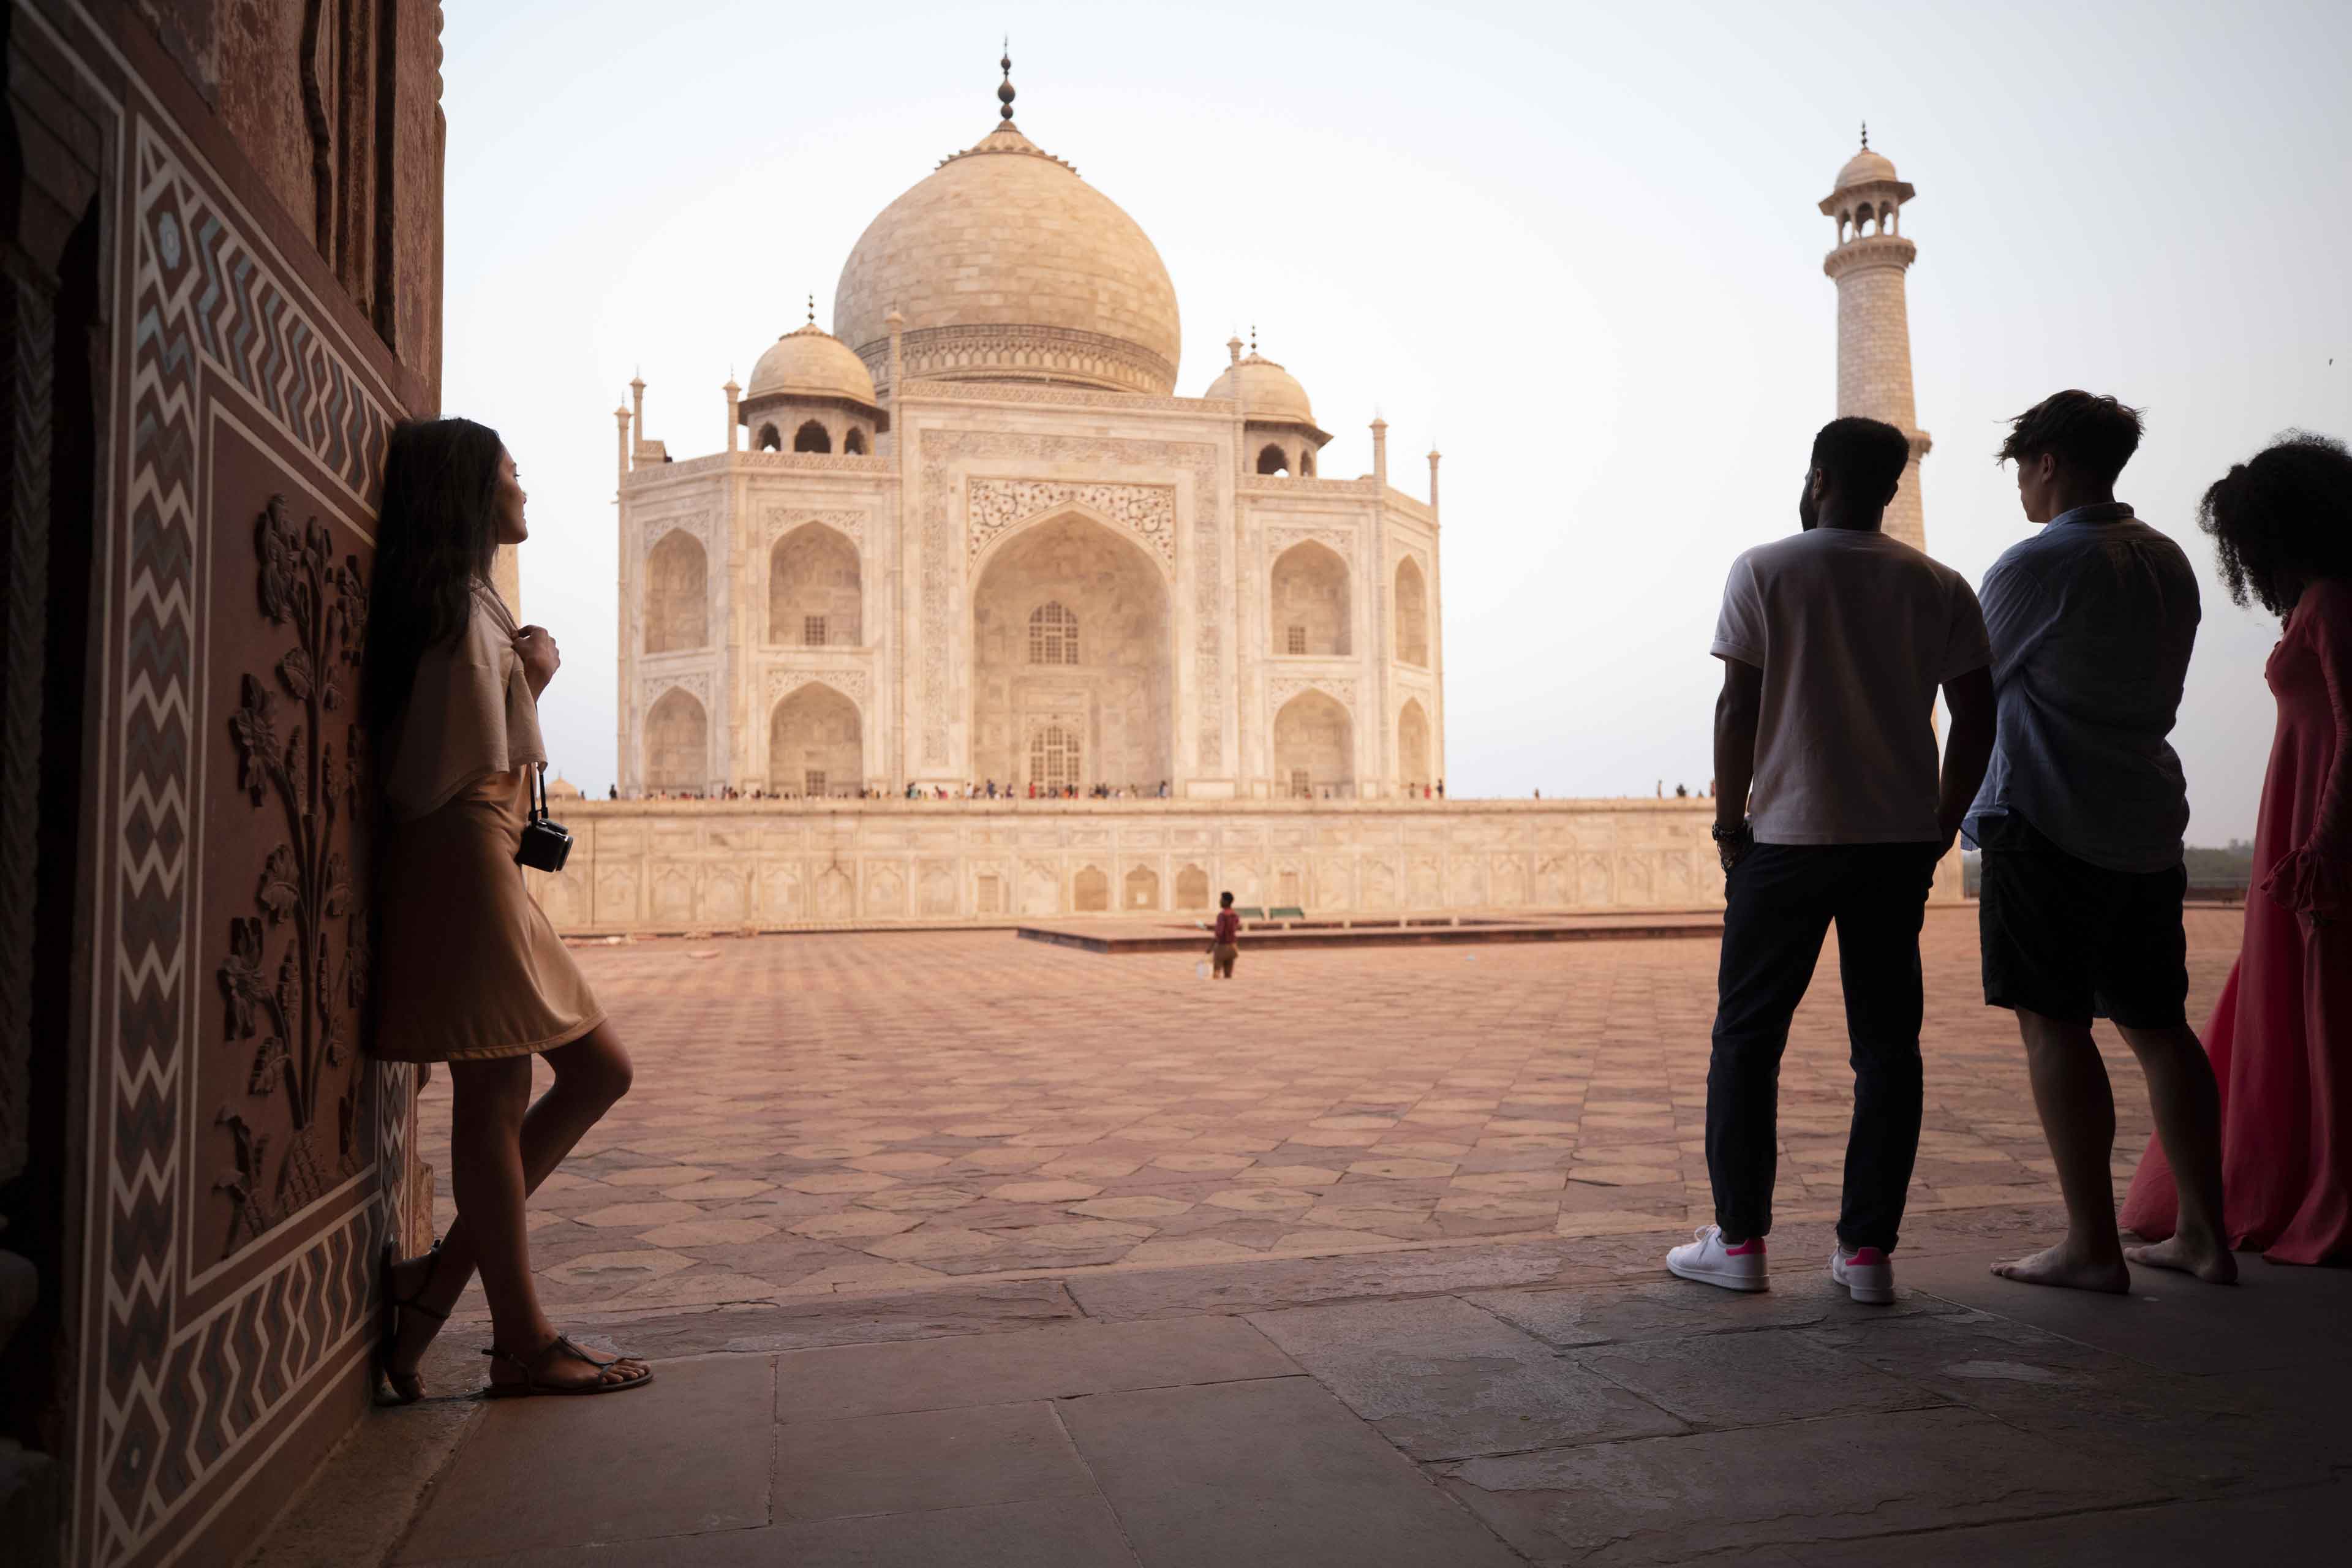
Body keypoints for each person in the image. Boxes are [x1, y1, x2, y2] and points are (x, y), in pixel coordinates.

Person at [1670, 416, 1995, 1305]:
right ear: (1893, 486)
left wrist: (1728, 829)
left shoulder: (1767, 570)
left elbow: (1738, 710)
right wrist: (1941, 823)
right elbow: (1978, 716)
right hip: (1893, 846)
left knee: (1747, 1042)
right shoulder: (1939, 585)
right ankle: (1867, 1257)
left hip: (1784, 842)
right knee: (1887, 1049)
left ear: (1817, 476)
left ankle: (1739, 1244)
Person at [363, 418, 650, 1401]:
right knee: (533, 1088)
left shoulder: (473, 598)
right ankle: (518, 1340)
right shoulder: (453, 609)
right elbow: (433, 770)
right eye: (511, 475)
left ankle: (436, 1290)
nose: (525, 491)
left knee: (549, 1084)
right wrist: (530, 679)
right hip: (461, 852)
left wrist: (520, 675)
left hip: (481, 856)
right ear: (474, 494)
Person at [1964, 392, 2234, 1291]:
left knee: (2055, 1025)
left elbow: (1970, 686)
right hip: (2144, 822)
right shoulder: (2166, 561)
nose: (2019, 488)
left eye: (2020, 469)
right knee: (2160, 1027)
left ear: (2046, 461)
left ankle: (2091, 1243)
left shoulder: (2037, 566)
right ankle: (2204, 1232)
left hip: (2044, 819)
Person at [2121, 432, 2352, 1266]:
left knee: (2319, 1010)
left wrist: (2325, 841)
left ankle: (2300, 1195)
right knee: (2305, 1007)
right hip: (2306, 824)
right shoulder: (2325, 600)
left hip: (2319, 834)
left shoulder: (2330, 603)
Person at [1209, 891, 1242, 979]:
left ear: (1226, 902)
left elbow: (1219, 933)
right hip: (1232, 946)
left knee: (1217, 972)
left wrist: (1211, 946)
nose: (1220, 902)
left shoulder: (1222, 915)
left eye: (1222, 900)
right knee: (1228, 974)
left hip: (1222, 946)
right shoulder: (1235, 915)